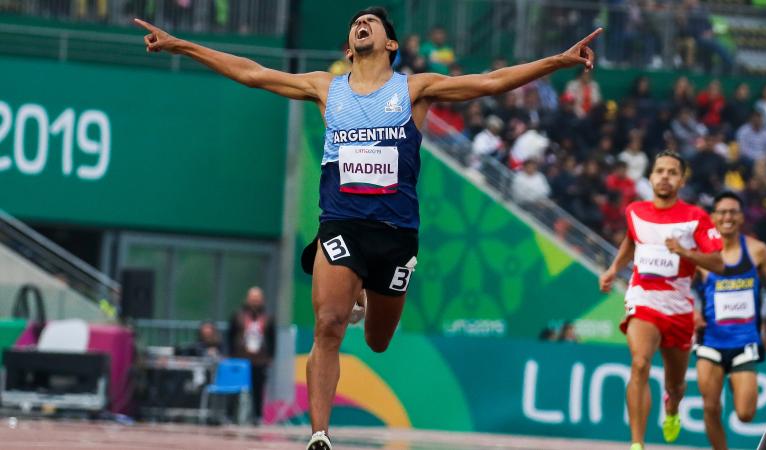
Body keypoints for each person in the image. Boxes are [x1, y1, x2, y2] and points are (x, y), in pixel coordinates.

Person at [136, 9, 601, 449]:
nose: (362, 24)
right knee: (328, 324)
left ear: (390, 42)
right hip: (341, 223)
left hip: (396, 234)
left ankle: (363, 295)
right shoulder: (326, 87)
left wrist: (558, 61)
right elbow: (252, 72)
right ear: (349, 43)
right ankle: (320, 435)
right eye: (356, 21)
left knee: (378, 341)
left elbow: (492, 81)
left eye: (371, 22)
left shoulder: (415, 89)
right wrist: (182, 46)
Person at [599, 150, 724, 450]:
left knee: (676, 384)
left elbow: (718, 262)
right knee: (640, 363)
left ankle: (672, 406)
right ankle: (637, 444)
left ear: (681, 180)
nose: (665, 177)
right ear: (651, 176)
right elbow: (632, 239)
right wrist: (614, 268)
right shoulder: (635, 211)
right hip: (641, 297)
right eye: (659, 171)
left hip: (679, 307)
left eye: (672, 172)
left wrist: (686, 252)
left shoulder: (696, 218)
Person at [695, 191, 766, 450]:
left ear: (741, 217)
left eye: (733, 212)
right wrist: (692, 314)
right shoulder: (701, 255)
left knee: (746, 413)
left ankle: (737, 379)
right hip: (710, 341)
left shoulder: (757, 250)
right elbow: (679, 287)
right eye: (722, 212)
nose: (727, 217)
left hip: (745, 342)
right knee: (710, 405)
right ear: (713, 217)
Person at [226, 287, 275, 425]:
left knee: (258, 389)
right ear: (247, 299)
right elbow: (230, 336)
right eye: (252, 298)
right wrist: (229, 355)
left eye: (257, 299)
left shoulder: (268, 317)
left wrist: (271, 357)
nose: (254, 301)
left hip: (259, 360)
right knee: (234, 388)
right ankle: (229, 416)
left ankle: (257, 417)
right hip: (239, 358)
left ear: (262, 300)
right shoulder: (237, 315)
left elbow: (272, 339)